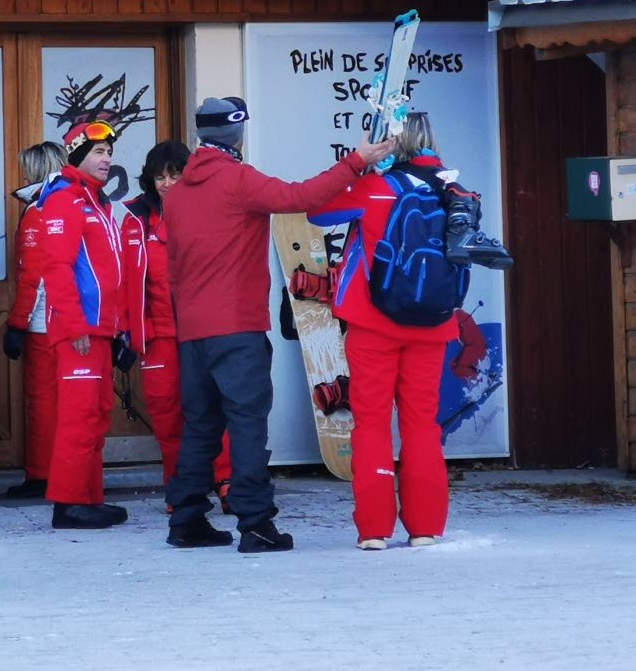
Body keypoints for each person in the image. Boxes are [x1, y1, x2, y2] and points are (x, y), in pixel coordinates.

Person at [161, 97, 393, 554]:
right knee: (247, 425)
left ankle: (186, 519)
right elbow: (300, 198)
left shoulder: (180, 192)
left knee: (201, 426)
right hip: (237, 327)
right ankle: (256, 524)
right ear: (238, 135)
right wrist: (356, 161)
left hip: (192, 329)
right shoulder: (239, 180)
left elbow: (172, 268)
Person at [318, 112, 458, 551]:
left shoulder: (376, 188)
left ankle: (375, 530)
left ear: (389, 142)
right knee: (422, 426)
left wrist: (360, 162)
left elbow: (317, 210)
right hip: (433, 326)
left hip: (372, 323)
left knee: (373, 426)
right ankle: (426, 527)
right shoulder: (457, 191)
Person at [37, 120, 144, 530]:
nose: (107, 160)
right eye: (99, 153)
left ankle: (88, 499)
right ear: (78, 155)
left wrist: (118, 327)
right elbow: (57, 267)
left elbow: (107, 271)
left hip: (100, 329)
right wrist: (76, 323)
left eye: (109, 153)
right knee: (78, 417)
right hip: (77, 330)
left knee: (97, 414)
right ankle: (67, 505)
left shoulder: (96, 202)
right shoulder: (64, 198)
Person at [123, 140, 233, 499]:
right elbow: (120, 278)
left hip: (204, 330)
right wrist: (128, 330)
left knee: (214, 412)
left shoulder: (211, 209)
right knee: (168, 418)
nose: (167, 184)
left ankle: (228, 481)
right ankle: (182, 489)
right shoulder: (133, 217)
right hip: (158, 336)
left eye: (174, 175)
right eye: (159, 177)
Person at [3, 141, 67, 498]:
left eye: (27, 169)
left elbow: (33, 276)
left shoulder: (38, 210)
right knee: (73, 401)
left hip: (46, 322)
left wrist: (16, 324)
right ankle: (69, 474)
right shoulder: (78, 202)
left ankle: (42, 475)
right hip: (77, 319)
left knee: (42, 401)